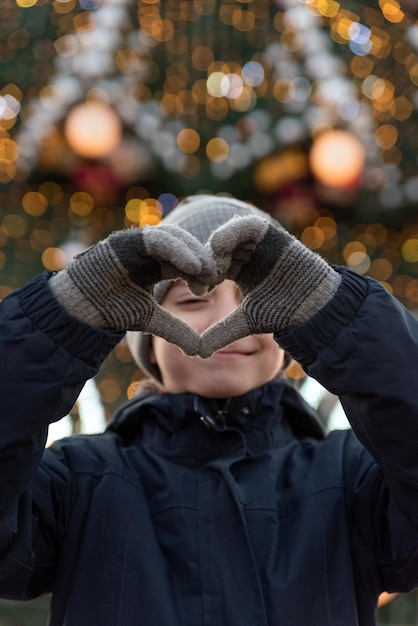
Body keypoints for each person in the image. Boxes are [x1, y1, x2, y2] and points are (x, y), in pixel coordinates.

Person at [0, 193, 418, 626]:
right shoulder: (76, 482)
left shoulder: (352, 479)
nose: (224, 321)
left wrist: (337, 314)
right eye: (194, 301)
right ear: (148, 336)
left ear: (290, 327)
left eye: (255, 301)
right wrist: (60, 319)